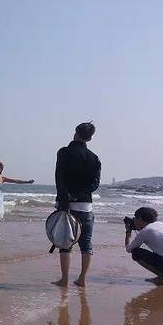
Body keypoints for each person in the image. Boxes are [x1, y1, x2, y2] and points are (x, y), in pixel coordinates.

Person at [52, 122, 101, 287]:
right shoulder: (94, 158)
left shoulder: (64, 152)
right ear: (90, 138)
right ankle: (82, 279)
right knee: (86, 244)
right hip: (86, 207)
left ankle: (64, 279)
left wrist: (66, 198)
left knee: (65, 244)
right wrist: (78, 194)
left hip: (67, 206)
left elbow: (59, 178)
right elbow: (95, 184)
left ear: (75, 133)